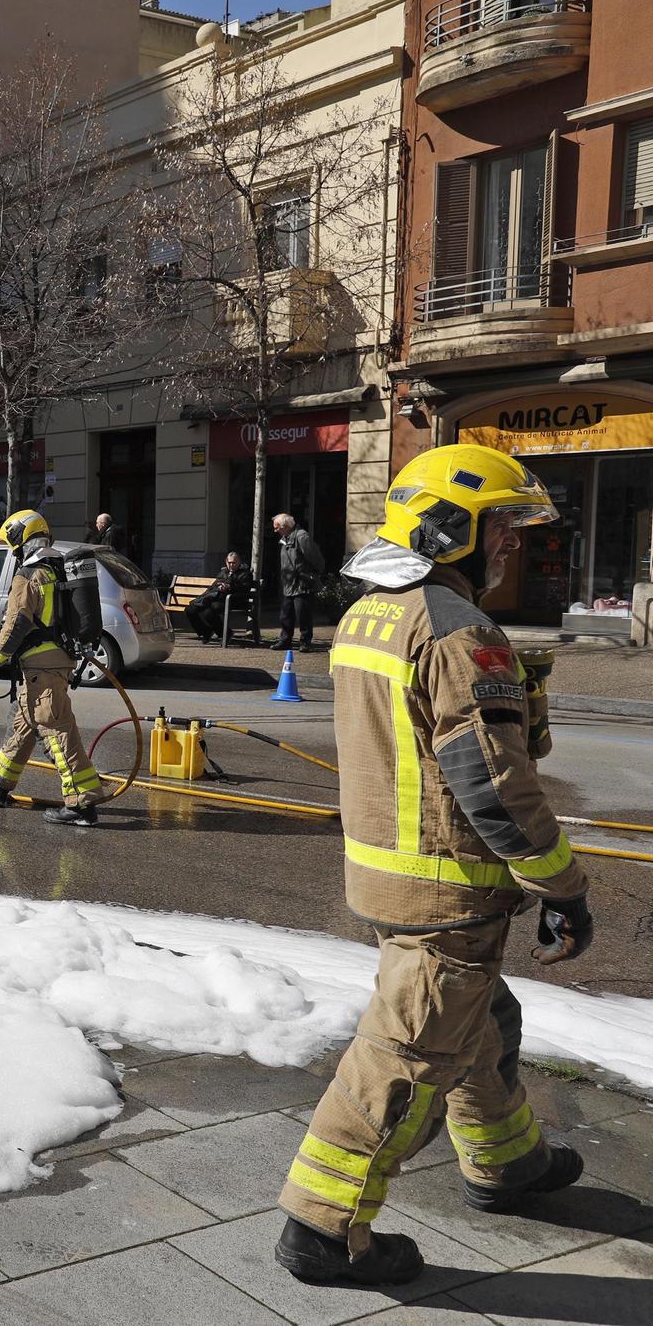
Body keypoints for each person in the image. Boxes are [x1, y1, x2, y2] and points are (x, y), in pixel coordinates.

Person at [275, 444, 592, 1287]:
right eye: (499, 527)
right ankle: (323, 1225)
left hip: (395, 875)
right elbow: (494, 785)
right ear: (448, 529)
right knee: (410, 1053)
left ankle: (507, 1162)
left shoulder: (370, 612)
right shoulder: (458, 631)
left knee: (481, 1025)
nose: (510, 546)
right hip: (448, 888)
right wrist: (563, 887)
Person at [0, 510, 104, 827]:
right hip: (55, 662)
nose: (13, 553)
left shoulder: (29, 575)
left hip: (41, 667)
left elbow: (16, 625)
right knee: (26, 723)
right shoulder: (56, 570)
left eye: (13, 547)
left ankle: (82, 803)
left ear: (21, 539)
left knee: (56, 731)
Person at [273, 512, 326, 651]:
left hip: (302, 583)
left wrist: (315, 573)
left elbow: (314, 557)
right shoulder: (286, 538)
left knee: (303, 614)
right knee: (286, 614)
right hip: (288, 583)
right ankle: (285, 640)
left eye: (277, 527)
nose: (275, 530)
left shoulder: (302, 536)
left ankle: (305, 642)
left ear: (286, 526)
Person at [185, 551, 255, 644]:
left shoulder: (245, 573)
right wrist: (219, 587)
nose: (231, 565)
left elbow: (244, 589)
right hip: (217, 598)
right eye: (229, 562)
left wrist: (230, 587)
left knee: (210, 610)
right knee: (189, 610)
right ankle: (205, 631)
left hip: (234, 600)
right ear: (226, 562)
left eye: (234, 563)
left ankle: (224, 634)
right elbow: (213, 586)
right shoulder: (223, 572)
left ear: (239, 563)